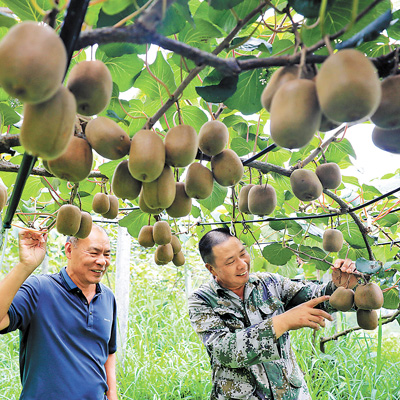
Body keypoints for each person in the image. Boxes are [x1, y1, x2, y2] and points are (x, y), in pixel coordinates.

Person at [188, 227, 358, 400]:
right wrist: (282, 322)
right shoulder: (202, 300)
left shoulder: (269, 283)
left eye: (243, 253)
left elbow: (319, 297)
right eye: (230, 262)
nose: (242, 264)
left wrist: (339, 285)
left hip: (290, 394)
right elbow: (224, 352)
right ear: (211, 269)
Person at [0, 224, 118, 400]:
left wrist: (113, 396)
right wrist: (25, 266)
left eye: (107, 254)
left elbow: (108, 352)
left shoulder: (107, 297)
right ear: (69, 250)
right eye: (94, 253)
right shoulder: (39, 289)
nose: (102, 261)